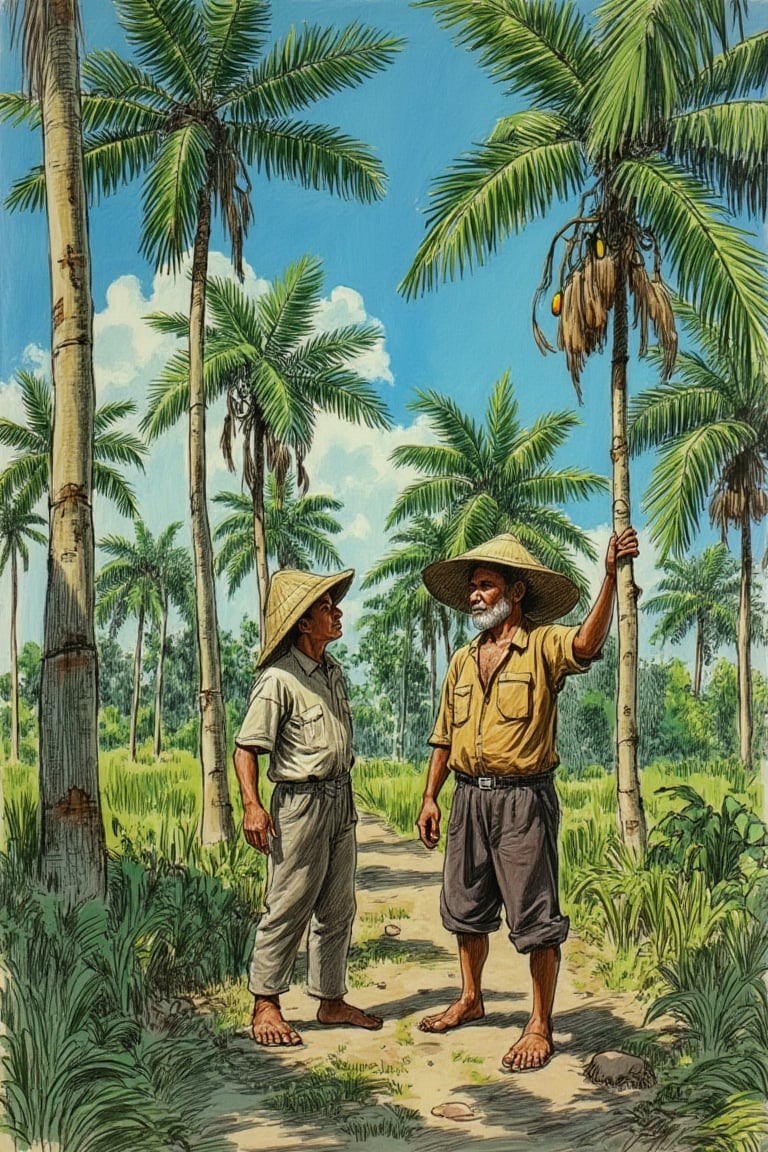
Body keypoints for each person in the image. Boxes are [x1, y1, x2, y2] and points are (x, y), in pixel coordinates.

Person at [415, 528, 639, 1072]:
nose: (474, 596)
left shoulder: (540, 645)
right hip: (468, 799)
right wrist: (429, 797)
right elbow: (444, 736)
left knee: (536, 915)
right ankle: (471, 998)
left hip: (524, 802)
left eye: (485, 586)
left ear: (515, 593)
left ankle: (540, 1022)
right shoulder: (464, 662)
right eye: (471, 587)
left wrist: (608, 576)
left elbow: (586, 645)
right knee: (464, 907)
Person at [234, 566, 383, 1046]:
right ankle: (265, 1003)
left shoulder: (333, 672)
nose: (336, 614)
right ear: (303, 623)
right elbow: (246, 749)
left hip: (340, 798)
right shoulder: (278, 680)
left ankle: (330, 999)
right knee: (288, 901)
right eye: (326, 608)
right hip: (299, 803)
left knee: (338, 905)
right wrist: (252, 807)